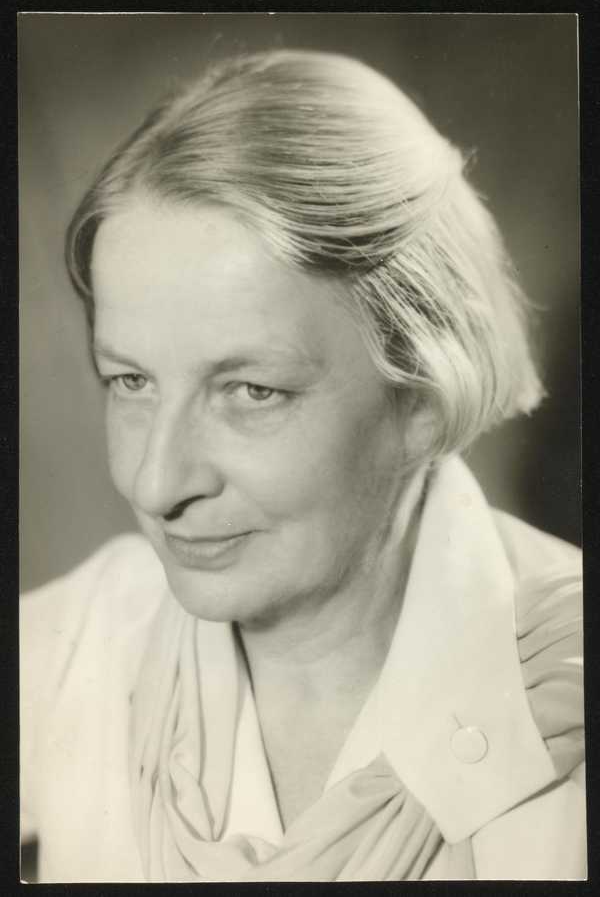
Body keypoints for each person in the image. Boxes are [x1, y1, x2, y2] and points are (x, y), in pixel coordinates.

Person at [20, 50, 584, 882]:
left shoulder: (567, 684)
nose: (155, 483)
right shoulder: (57, 653)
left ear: (424, 392)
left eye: (250, 390)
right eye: (130, 381)